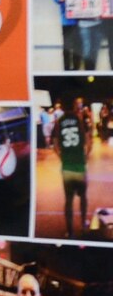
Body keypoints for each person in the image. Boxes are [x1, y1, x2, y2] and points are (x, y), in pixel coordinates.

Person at [55, 94, 93, 236]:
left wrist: (62, 157)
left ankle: (70, 231)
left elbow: (55, 145)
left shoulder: (59, 121)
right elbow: (89, 141)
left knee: (68, 200)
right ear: (73, 105)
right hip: (79, 167)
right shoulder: (80, 119)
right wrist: (86, 156)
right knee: (83, 197)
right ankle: (83, 225)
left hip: (67, 168)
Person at [56, 0, 86, 71]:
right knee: (67, 48)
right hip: (66, 21)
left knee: (78, 48)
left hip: (79, 21)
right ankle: (66, 72)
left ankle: (76, 72)